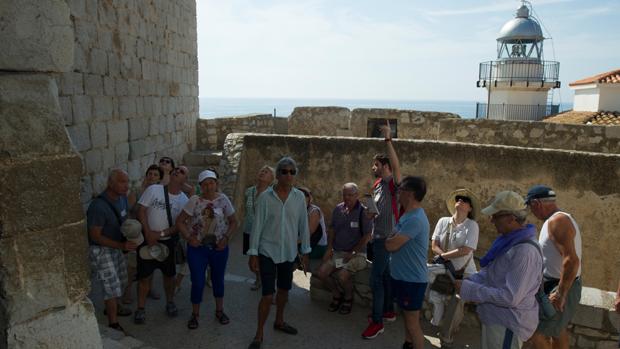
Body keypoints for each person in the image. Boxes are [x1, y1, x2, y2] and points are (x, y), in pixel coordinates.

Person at [457, 191, 543, 349]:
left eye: (495, 216)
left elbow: (510, 297)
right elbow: (492, 273)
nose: (491, 220)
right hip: (498, 320)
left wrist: (470, 288)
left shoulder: (524, 251)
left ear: (511, 219)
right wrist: (470, 280)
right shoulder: (510, 242)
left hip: (507, 324)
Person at [246, 157, 311, 349]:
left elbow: (303, 226)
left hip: (289, 252)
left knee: (284, 291)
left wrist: (305, 251)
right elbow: (257, 227)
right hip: (267, 251)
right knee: (267, 295)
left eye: (292, 172)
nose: (288, 175)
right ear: (278, 174)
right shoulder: (266, 197)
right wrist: (253, 253)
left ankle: (279, 321)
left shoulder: (299, 197)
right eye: (284, 171)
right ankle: (258, 334)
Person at [176, 169, 238, 329]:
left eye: (211, 182)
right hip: (198, 248)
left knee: (218, 280)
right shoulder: (195, 201)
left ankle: (219, 311)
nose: (209, 186)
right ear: (200, 186)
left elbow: (233, 221)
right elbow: (180, 221)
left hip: (219, 247)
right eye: (205, 184)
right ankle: (195, 314)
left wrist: (226, 238)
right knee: (197, 281)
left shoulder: (223, 200)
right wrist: (189, 238)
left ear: (216, 183)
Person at [526, 185, 582, 349]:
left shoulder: (558, 221)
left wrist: (560, 293)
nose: (531, 211)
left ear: (536, 203)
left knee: (533, 331)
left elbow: (571, 260)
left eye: (530, 206)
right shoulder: (554, 220)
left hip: (561, 286)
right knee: (558, 331)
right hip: (556, 284)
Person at [133, 166, 189, 324]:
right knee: (144, 277)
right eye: (176, 169)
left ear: (185, 180)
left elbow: (179, 224)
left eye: (182, 172)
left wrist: (160, 234)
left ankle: (170, 302)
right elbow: (141, 210)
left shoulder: (184, 200)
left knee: (169, 277)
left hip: (168, 242)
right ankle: (141, 308)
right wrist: (148, 232)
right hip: (147, 239)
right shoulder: (154, 190)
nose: (177, 171)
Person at [363, 120, 401, 339]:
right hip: (378, 236)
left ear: (385, 167)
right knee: (385, 277)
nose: (373, 168)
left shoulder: (392, 183)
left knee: (375, 280)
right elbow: (379, 208)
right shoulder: (377, 185)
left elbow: (397, 166)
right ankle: (388, 311)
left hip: (387, 238)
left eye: (376, 165)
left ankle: (377, 323)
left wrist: (388, 139)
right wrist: (371, 212)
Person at [87, 169, 137, 334]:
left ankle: (112, 308)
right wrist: (121, 246)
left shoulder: (122, 199)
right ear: (110, 183)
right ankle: (113, 323)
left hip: (117, 246)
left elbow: (124, 217)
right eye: (122, 182)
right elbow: (95, 236)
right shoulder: (98, 206)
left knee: (121, 280)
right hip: (102, 249)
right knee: (111, 285)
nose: (126, 186)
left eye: (127, 182)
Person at [428, 189, 480, 347]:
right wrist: (444, 259)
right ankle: (437, 322)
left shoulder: (472, 226)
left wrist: (444, 257)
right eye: (458, 198)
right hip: (445, 269)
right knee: (435, 294)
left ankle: (447, 336)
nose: (460, 200)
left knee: (456, 304)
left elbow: (466, 249)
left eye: (465, 200)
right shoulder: (443, 221)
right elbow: (434, 245)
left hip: (464, 273)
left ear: (470, 208)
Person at [385, 176, 430, 349]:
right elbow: (392, 239)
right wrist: (391, 239)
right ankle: (408, 344)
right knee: (407, 318)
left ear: (409, 194)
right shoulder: (408, 215)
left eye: (400, 189)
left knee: (413, 323)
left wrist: (390, 240)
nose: (397, 193)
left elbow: (391, 244)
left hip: (411, 281)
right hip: (402, 277)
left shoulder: (415, 219)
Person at [317, 183, 373, 314]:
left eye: (350, 195)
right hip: (339, 254)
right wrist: (329, 248)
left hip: (358, 255)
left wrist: (353, 252)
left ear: (357, 195)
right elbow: (332, 229)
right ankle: (337, 294)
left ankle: (348, 297)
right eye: (344, 194)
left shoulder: (364, 212)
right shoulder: (338, 209)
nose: (347, 197)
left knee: (343, 276)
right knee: (322, 273)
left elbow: (367, 236)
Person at [123, 164, 164, 304]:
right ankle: (127, 291)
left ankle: (149, 289)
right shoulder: (137, 191)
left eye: (155, 175)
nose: (152, 176)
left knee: (150, 261)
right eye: (150, 174)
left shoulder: (161, 193)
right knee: (133, 265)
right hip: (137, 233)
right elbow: (129, 209)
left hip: (151, 233)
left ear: (159, 179)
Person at [243, 165, 275, 291]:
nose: (262, 172)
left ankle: (269, 284)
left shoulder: (273, 194)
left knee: (266, 261)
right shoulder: (249, 191)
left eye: (266, 172)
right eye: (261, 170)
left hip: (266, 233)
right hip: (250, 230)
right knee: (252, 262)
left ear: (272, 179)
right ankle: (258, 279)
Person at [297, 186, 328, 259]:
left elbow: (307, 234)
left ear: (308, 198)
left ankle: (305, 269)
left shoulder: (313, 211)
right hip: (303, 242)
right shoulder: (297, 210)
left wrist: (291, 243)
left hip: (317, 245)